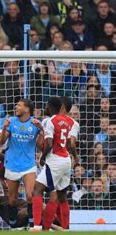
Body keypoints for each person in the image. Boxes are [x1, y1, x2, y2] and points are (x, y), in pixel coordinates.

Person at [30, 97, 79, 231]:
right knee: (61, 196)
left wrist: (43, 157)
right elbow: (71, 143)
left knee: (37, 190)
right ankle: (66, 228)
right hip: (66, 160)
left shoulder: (50, 120)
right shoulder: (73, 123)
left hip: (54, 160)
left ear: (61, 106)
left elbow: (49, 143)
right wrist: (76, 157)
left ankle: (38, 226)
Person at [0, 99, 44, 228]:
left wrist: (41, 130)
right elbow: (1, 142)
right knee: (12, 200)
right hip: (12, 164)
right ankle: (14, 227)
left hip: (28, 165)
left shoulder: (36, 124)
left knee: (31, 196)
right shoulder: (11, 122)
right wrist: (4, 128)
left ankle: (32, 226)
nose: (16, 106)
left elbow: (41, 146)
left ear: (27, 109)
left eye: (19, 105)